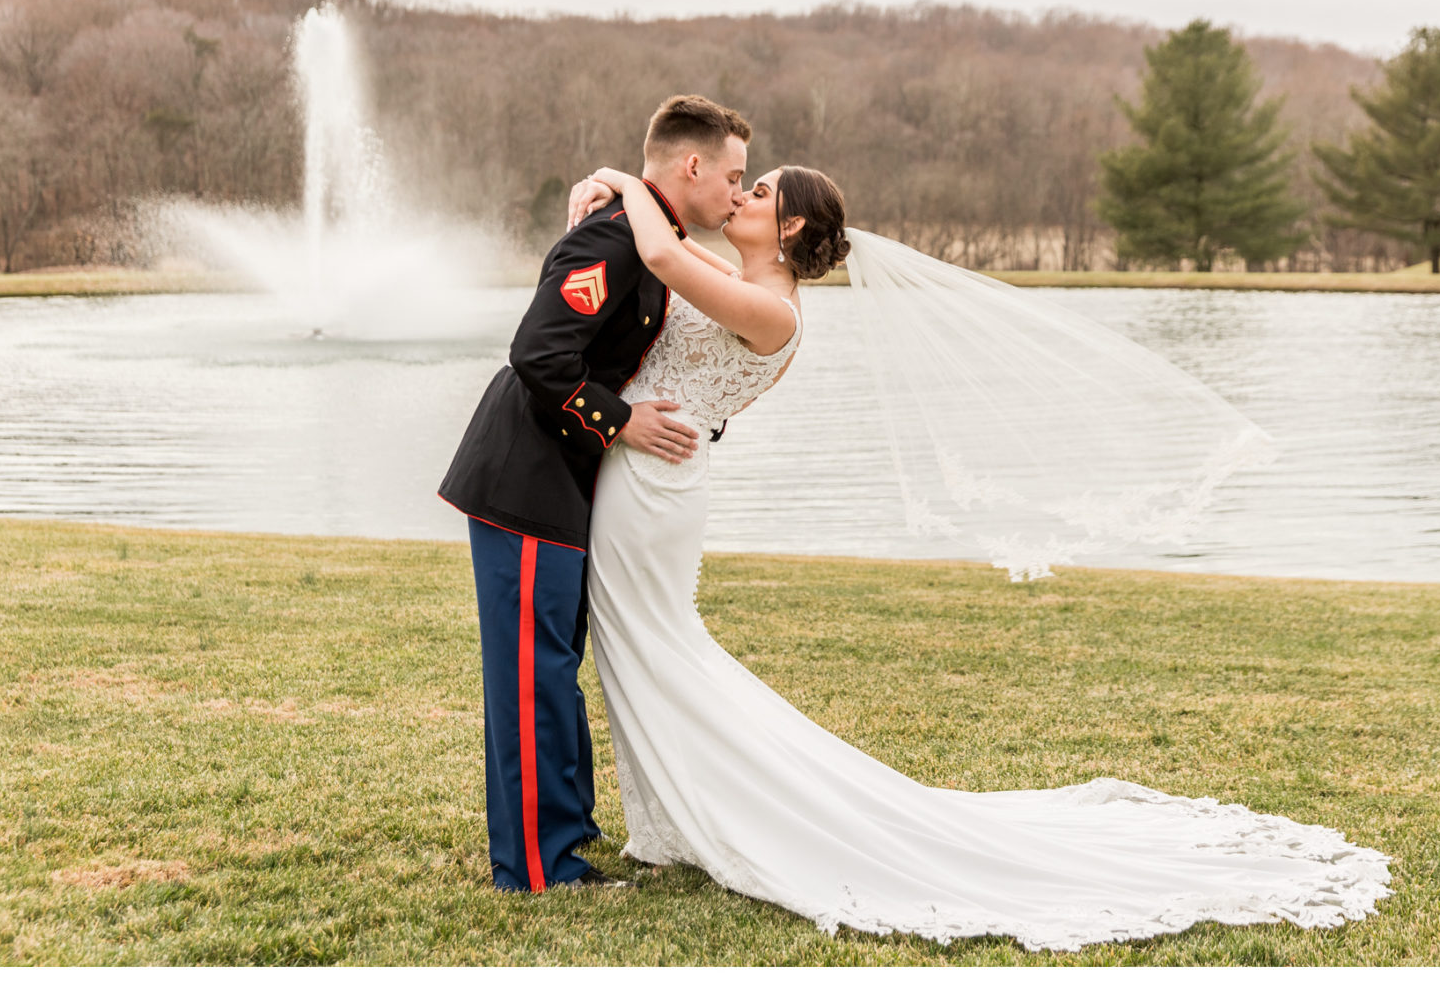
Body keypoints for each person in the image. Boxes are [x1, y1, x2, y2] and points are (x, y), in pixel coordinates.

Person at [559, 162, 1393, 952]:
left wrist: (629, 178)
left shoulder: (772, 308)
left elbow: (661, 248)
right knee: (645, 646)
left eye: (763, 188)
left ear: (792, 223)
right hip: (647, 470)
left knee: (657, 645)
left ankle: (710, 816)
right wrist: (608, 191)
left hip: (656, 485)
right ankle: (668, 820)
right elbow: (656, 260)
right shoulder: (737, 278)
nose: (744, 191)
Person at [437, 94, 753, 892]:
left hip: (562, 479)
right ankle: (541, 869)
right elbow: (537, 353)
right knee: (532, 677)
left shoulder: (645, 236)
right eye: (734, 176)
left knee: (551, 665)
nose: (737, 195)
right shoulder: (615, 239)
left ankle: (565, 836)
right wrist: (621, 424)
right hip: (526, 477)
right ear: (692, 166)